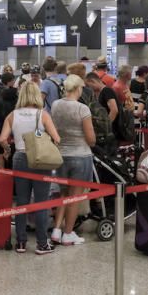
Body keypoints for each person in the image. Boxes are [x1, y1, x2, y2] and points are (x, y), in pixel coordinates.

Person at [0, 80, 61, 254]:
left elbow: (3, 139)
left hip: (19, 157)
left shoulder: (12, 115)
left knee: (22, 202)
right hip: (40, 159)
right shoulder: (43, 114)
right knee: (41, 202)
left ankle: (21, 242)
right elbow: (57, 138)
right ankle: (42, 243)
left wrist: (7, 150)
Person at [49, 75, 95, 246]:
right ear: (78, 88)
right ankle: (68, 233)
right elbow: (91, 139)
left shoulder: (55, 105)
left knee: (63, 193)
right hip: (80, 156)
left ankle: (56, 230)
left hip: (61, 155)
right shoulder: (82, 109)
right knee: (75, 197)